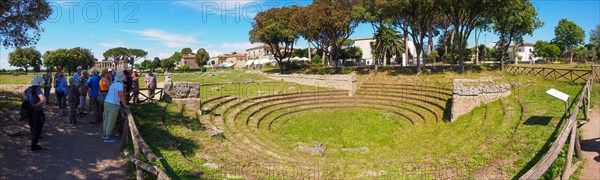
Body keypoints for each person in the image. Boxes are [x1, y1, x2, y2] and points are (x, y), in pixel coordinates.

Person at [102, 70, 128, 143]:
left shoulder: (113, 83)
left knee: (106, 119)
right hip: (113, 104)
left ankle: (104, 134)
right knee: (111, 120)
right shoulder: (119, 85)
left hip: (107, 102)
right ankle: (107, 137)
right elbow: (121, 95)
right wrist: (125, 105)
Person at [22, 76, 46, 151]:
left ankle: (34, 138)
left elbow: (23, 93)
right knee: (37, 128)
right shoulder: (37, 89)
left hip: (30, 111)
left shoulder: (29, 88)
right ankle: (33, 146)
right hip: (37, 111)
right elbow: (43, 100)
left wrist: (28, 100)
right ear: (39, 83)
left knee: (32, 125)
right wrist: (36, 104)